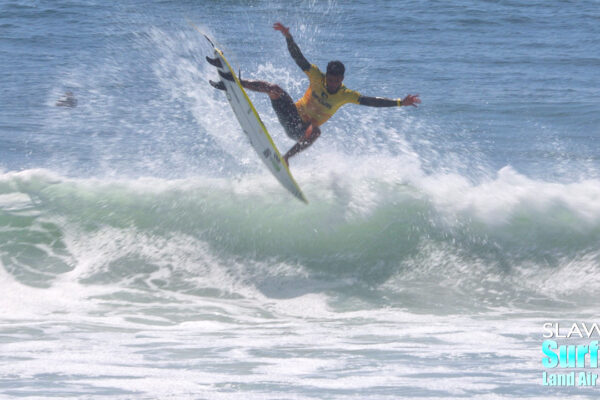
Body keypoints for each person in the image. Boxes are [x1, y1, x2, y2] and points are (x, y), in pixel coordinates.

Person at [209, 22, 420, 165]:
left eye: (336, 80)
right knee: (275, 89)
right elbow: (298, 58)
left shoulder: (346, 94)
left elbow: (371, 101)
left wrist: (401, 102)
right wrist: (288, 36)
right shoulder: (317, 76)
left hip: (301, 131)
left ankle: (286, 158)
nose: (331, 82)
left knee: (315, 130)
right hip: (290, 115)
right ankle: (235, 82)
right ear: (326, 75)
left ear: (342, 80)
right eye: (330, 78)